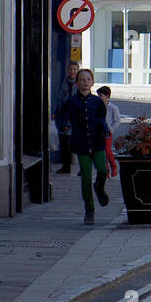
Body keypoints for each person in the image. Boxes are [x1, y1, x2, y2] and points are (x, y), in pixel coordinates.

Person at [58, 67, 110, 224]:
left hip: (97, 141)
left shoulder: (97, 102)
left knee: (102, 170)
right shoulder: (72, 101)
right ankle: (89, 209)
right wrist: (64, 126)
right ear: (77, 82)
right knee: (86, 176)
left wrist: (105, 130)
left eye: (88, 79)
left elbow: (102, 119)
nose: (85, 82)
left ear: (92, 82)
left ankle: (99, 188)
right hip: (81, 143)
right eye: (82, 79)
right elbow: (63, 118)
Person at [54, 61, 79, 174]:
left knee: (73, 144)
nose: (72, 71)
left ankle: (82, 168)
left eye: (74, 69)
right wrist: (55, 112)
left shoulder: (77, 85)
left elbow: (73, 104)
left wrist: (68, 123)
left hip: (71, 119)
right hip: (62, 116)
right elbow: (59, 99)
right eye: (70, 69)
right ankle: (66, 167)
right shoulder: (65, 82)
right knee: (63, 144)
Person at [97, 85, 122, 178]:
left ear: (107, 96)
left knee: (107, 150)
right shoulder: (97, 106)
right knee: (101, 152)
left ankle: (113, 166)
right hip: (99, 131)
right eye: (98, 95)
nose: (99, 97)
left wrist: (111, 129)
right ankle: (105, 171)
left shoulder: (113, 107)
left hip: (108, 132)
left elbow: (117, 120)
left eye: (101, 95)